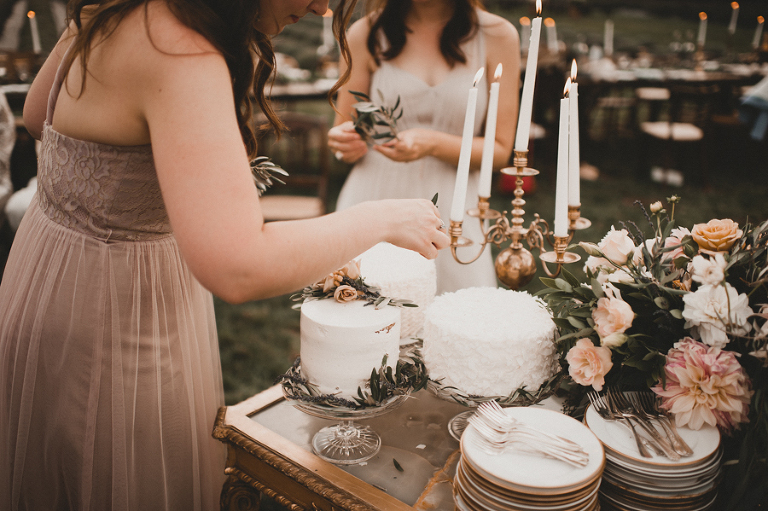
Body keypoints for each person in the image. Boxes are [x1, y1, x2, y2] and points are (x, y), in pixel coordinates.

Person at [0, 0, 450, 509]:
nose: (322, 5)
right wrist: (380, 220)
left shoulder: (112, 8)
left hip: (46, 273)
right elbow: (239, 266)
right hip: (117, 317)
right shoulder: (181, 49)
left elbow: (37, 114)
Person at [328, 0, 520, 294]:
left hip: (454, 212)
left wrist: (433, 143)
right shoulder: (365, 33)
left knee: (459, 312)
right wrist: (344, 143)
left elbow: (501, 151)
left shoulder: (497, 35)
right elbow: (346, 128)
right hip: (375, 198)